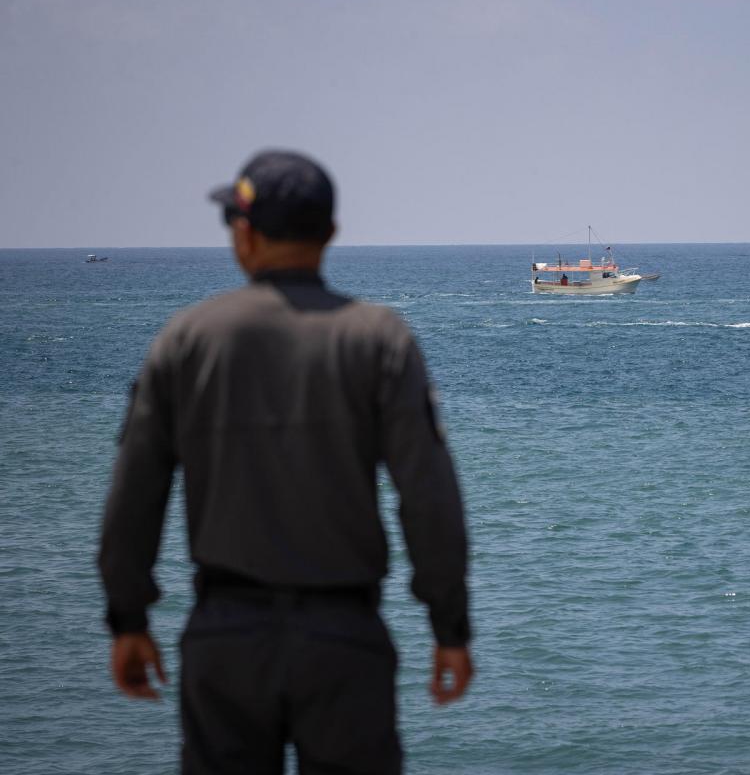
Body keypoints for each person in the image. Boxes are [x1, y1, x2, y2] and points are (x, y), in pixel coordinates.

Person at [98, 150, 473, 774]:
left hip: (225, 639)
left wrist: (127, 617)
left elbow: (135, 494)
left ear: (244, 234)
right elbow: (428, 497)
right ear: (330, 234)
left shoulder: (187, 338)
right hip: (344, 642)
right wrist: (450, 628)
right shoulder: (378, 338)